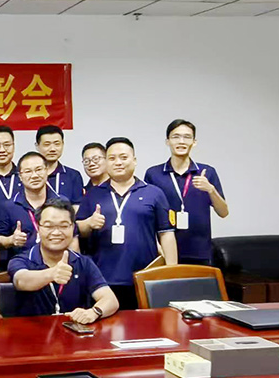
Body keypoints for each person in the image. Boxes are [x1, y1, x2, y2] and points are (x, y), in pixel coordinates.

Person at [77, 137, 177, 309]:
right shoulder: (93, 194)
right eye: (112, 158)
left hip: (145, 277)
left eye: (123, 157)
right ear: (106, 162)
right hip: (102, 280)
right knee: (107, 325)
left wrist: (172, 272)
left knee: (146, 323)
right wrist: (89, 223)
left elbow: (166, 234)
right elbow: (77, 231)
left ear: (134, 160)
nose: (118, 162)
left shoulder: (154, 193)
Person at [8, 199, 119, 322]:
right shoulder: (22, 260)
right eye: (49, 226)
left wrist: (94, 312)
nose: (56, 232)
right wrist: (52, 274)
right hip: (32, 330)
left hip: (73, 329)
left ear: (73, 228)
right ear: (38, 228)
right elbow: (21, 281)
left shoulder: (83, 262)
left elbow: (111, 300)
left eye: (64, 226)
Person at [143, 119, 228, 265]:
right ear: (167, 141)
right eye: (176, 137)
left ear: (194, 142)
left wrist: (211, 189)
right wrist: (157, 246)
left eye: (187, 137)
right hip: (165, 251)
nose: (181, 141)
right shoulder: (154, 174)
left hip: (200, 251)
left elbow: (223, 212)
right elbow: (147, 216)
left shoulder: (207, 172)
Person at [0, 152, 74, 258]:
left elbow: (73, 237)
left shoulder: (62, 202)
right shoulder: (9, 206)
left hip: (58, 261)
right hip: (23, 264)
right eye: (28, 171)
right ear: (20, 176)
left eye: (39, 170)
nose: (34, 176)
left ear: (46, 171)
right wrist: (11, 240)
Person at [36, 125, 83, 208]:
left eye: (57, 144)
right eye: (47, 144)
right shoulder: (29, 175)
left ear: (63, 144)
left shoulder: (73, 176)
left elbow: (77, 206)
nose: (52, 149)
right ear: (37, 146)